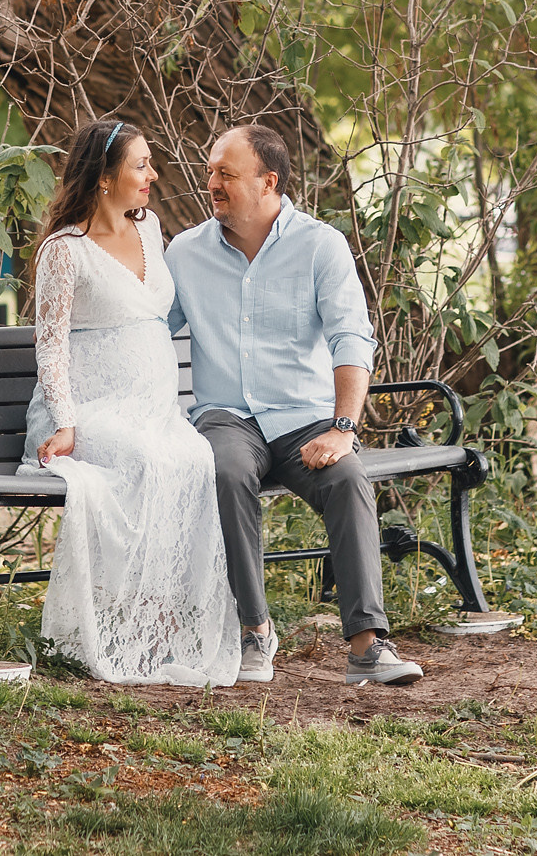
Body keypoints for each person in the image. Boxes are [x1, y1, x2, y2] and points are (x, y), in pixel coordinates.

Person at [167, 123, 426, 687]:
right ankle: (254, 631)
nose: (211, 183)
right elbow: (149, 332)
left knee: (348, 478)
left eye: (225, 174)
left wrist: (342, 428)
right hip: (226, 417)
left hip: (304, 419)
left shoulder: (320, 245)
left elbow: (351, 338)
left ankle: (368, 645)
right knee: (226, 470)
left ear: (268, 182)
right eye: (210, 171)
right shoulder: (184, 253)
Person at [22, 118, 239, 686]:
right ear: (103, 177)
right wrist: (66, 423)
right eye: (140, 165)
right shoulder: (64, 251)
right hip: (88, 410)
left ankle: (166, 621)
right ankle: (118, 622)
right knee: (144, 462)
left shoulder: (148, 227)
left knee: (194, 460)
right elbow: (50, 345)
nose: (153, 175)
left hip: (153, 411)